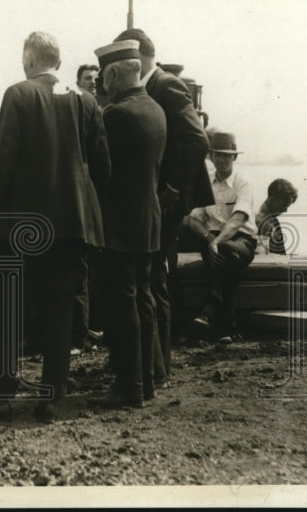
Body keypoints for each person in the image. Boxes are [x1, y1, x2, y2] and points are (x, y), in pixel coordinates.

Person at [0, 31, 109, 423]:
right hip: (74, 225)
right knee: (61, 309)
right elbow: (101, 167)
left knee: (7, 305)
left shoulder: (18, 94)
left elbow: (2, 162)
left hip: (23, 224)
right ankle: (53, 395)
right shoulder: (87, 101)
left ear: (30, 59)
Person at [113, 28, 212, 384]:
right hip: (157, 198)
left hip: (166, 199)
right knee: (154, 278)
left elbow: (196, 140)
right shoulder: (156, 86)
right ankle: (156, 364)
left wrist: (171, 188)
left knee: (156, 279)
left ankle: (158, 365)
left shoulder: (166, 85)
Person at [93, 40, 166, 407]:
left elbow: (99, 171)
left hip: (120, 225)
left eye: (104, 77)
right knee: (144, 300)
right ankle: (147, 383)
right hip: (148, 221)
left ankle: (128, 388)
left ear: (117, 73)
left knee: (121, 305)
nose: (103, 86)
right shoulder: (155, 109)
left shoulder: (116, 115)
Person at [180, 131, 257, 341]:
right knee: (225, 263)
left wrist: (215, 242)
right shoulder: (206, 183)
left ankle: (210, 309)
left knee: (224, 252)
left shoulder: (243, 183)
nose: (222, 160)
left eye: (227, 155)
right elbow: (193, 219)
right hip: (214, 241)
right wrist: (208, 238)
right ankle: (227, 329)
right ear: (211, 157)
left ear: (235, 157)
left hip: (241, 240)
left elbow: (237, 220)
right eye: (218, 155)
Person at [254, 179, 298, 256]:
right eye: (284, 205)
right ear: (273, 199)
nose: (285, 210)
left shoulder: (272, 220)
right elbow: (261, 256)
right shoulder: (261, 222)